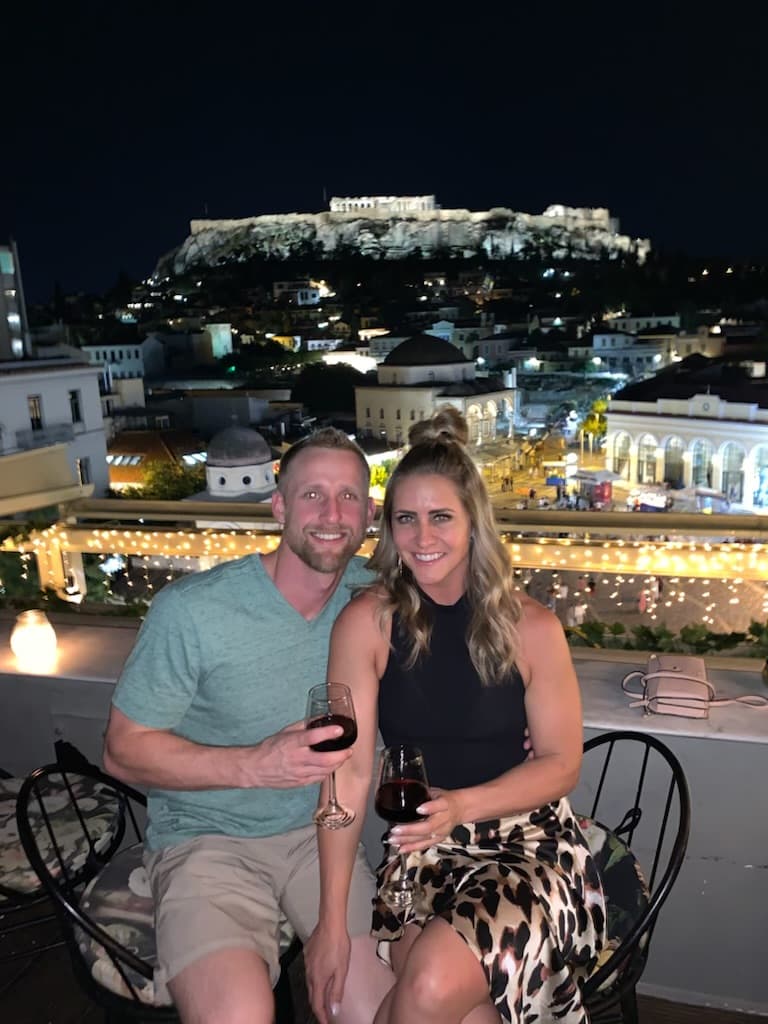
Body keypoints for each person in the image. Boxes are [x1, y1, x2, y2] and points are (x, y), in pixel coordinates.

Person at [305, 408, 606, 1024]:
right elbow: (346, 776)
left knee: (428, 985)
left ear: (473, 524)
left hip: (530, 845)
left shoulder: (533, 628)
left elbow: (562, 765)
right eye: (405, 519)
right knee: (448, 1005)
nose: (422, 538)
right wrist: (330, 924)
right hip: (427, 854)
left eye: (441, 516)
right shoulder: (367, 623)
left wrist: (462, 806)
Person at [103, 429, 394, 1024]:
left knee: (373, 1012)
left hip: (324, 840)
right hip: (206, 841)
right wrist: (255, 764)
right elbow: (121, 752)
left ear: (369, 513)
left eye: (348, 497)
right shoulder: (192, 610)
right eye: (312, 494)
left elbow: (478, 620)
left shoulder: (376, 599)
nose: (332, 514)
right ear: (280, 506)